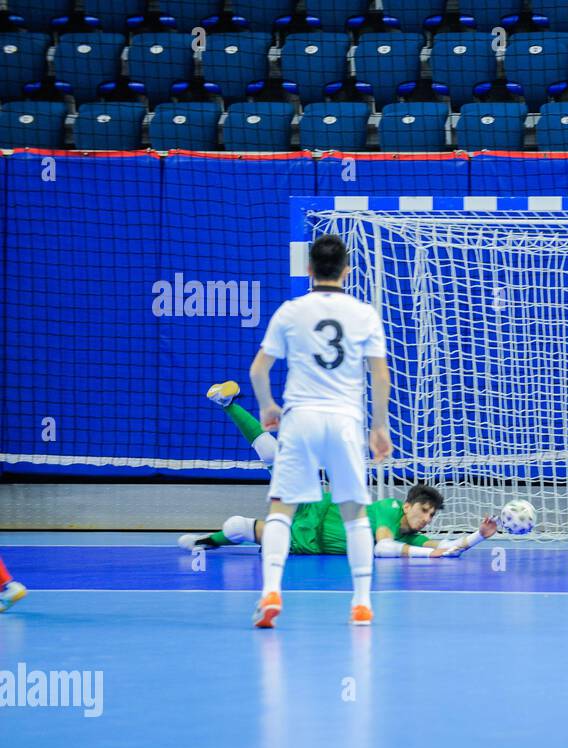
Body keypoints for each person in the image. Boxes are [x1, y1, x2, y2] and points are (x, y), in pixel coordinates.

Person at [249, 234, 391, 628]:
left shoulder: (290, 311)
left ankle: (271, 592)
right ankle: (361, 602)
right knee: (355, 514)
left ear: (309, 269)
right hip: (345, 420)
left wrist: (267, 406)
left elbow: (258, 369)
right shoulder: (364, 313)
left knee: (282, 509)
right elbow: (380, 375)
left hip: (301, 418)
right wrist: (379, 426)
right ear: (346, 271)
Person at [179, 383, 497, 558]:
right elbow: (385, 548)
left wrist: (479, 537)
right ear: (407, 505)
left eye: (431, 516)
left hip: (306, 541)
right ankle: (228, 404)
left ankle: (205, 542)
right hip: (316, 505)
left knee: (238, 526)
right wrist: (429, 557)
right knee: (277, 458)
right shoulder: (388, 510)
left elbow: (449, 550)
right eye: (424, 511)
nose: (427, 519)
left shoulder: (412, 538)